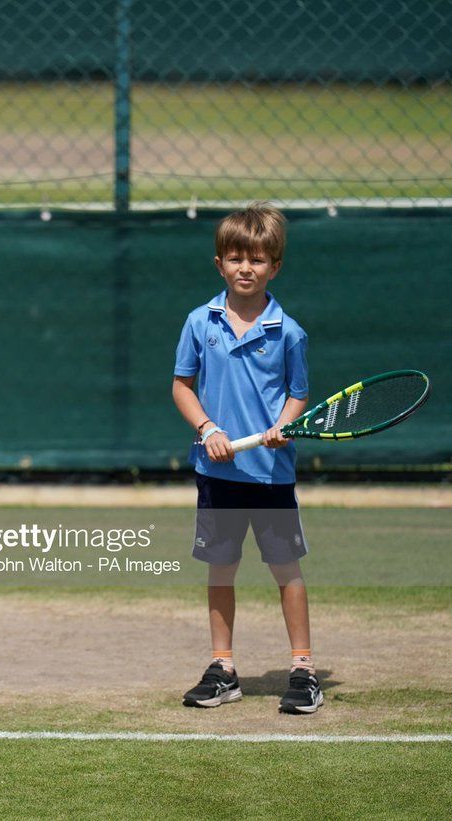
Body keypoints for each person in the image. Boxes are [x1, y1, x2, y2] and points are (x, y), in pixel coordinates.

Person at [171, 202, 322, 715]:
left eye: (257, 259)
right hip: (217, 473)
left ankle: (302, 670)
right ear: (219, 263)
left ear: (274, 266)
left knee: (286, 570)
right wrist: (207, 427)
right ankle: (223, 669)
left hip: (271, 474)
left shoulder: (290, 332)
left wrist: (283, 425)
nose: (246, 268)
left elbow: (298, 394)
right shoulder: (199, 322)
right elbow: (182, 386)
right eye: (236, 258)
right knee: (221, 570)